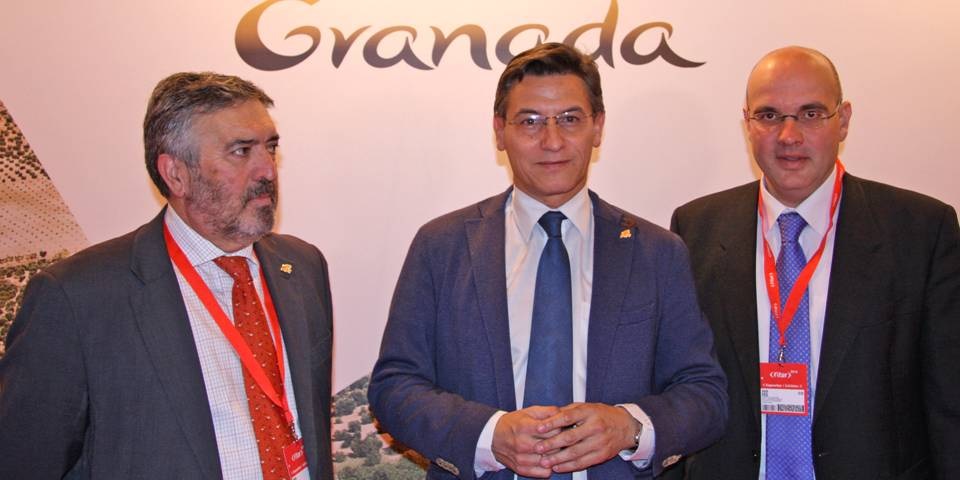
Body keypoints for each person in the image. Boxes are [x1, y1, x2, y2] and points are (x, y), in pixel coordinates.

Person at [368, 42, 727, 480]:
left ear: (598, 127)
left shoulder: (657, 253)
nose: (552, 141)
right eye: (530, 121)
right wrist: (488, 435)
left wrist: (629, 426)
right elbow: (395, 385)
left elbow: (704, 394)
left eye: (570, 119)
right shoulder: (441, 247)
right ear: (499, 132)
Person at [0, 72, 334, 480]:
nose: (267, 169)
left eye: (271, 147)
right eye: (241, 151)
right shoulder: (79, 296)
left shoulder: (302, 267)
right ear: (175, 174)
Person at [670, 46, 960, 479]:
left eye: (811, 114)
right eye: (769, 115)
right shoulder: (695, 229)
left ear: (843, 120)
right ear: (747, 123)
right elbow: (681, 386)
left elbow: (949, 401)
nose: (789, 135)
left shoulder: (921, 231)